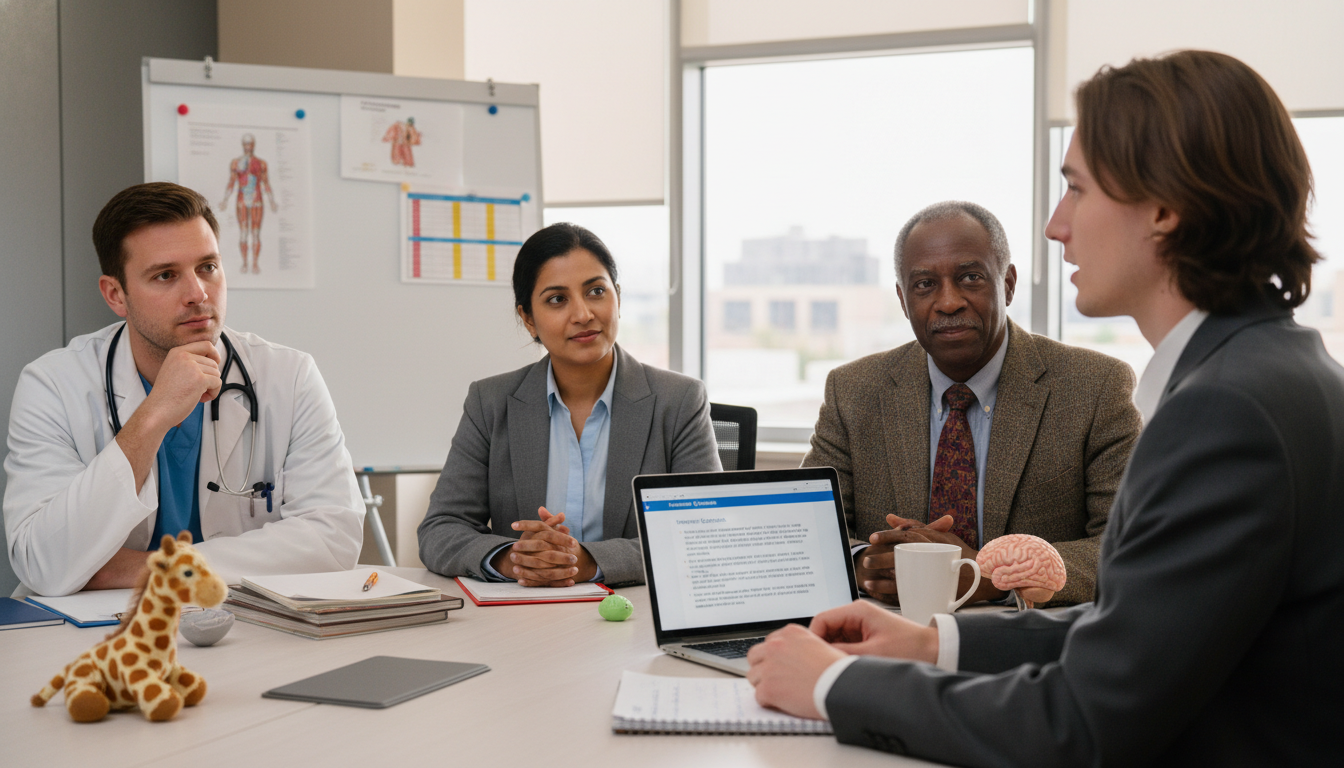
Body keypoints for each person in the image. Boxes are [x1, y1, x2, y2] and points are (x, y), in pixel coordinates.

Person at [746, 50, 1342, 765]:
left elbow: (1082, 720)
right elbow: (1136, 633)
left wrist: (837, 686)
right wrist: (937, 641)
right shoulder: (1269, 371)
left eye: (1077, 189)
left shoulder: (1225, 411)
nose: (1059, 225)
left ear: (1164, 209)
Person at [4, 182, 364, 597]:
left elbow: (332, 541)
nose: (197, 294)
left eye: (208, 267)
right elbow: (42, 563)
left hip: (238, 623)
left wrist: (145, 569)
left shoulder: (289, 376)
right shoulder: (53, 385)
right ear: (115, 294)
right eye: (165, 275)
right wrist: (154, 415)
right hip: (83, 636)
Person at [803, 200, 1140, 606]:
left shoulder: (1095, 387)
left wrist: (989, 575)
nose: (948, 302)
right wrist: (862, 562)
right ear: (902, 298)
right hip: (888, 632)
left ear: (1009, 284)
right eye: (924, 284)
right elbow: (812, 527)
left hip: (1030, 641)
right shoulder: (854, 390)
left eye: (969, 278)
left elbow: (1126, 545)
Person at [417, 223, 721, 587]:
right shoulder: (491, 402)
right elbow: (440, 528)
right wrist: (515, 559)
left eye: (596, 291)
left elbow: (702, 536)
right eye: (557, 299)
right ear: (528, 318)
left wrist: (588, 562)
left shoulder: (679, 401)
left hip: (631, 618)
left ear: (618, 299)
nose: (583, 314)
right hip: (523, 617)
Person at [219, 133, 278, 274]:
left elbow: (265, 182)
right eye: (245, 144)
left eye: (250, 144)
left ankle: (255, 263)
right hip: (242, 200)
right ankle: (245, 263)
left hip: (257, 199)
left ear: (253, 145)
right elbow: (232, 182)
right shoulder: (236, 163)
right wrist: (225, 200)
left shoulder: (261, 163)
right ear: (242, 145)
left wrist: (271, 200)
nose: (248, 147)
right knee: (244, 233)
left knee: (256, 233)